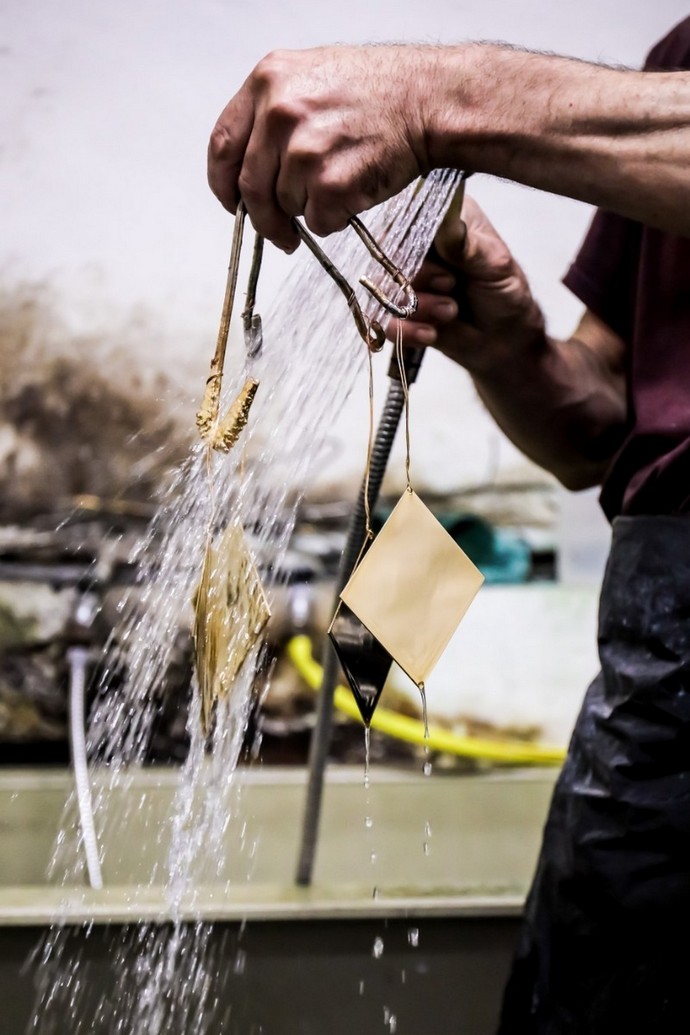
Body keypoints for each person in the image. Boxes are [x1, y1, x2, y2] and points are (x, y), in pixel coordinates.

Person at [208, 17, 690, 1034]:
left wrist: (444, 100)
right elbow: (605, 429)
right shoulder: (679, 57)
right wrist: (507, 343)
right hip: (658, 659)